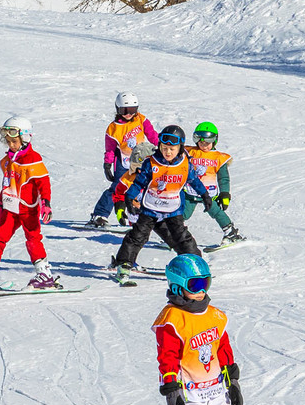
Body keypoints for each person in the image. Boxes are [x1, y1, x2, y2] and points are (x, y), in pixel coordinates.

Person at [154, 251, 260, 405]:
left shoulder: (214, 315)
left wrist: (232, 380)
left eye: (205, 283)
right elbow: (167, 357)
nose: (201, 291)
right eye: (195, 285)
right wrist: (171, 388)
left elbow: (223, 349)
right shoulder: (172, 320)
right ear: (178, 286)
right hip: (190, 390)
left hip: (216, 387)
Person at [0, 117, 61, 292]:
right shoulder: (8, 160)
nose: (11, 145)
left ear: (25, 138)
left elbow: (43, 183)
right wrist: (0, 204)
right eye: (8, 142)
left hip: (28, 208)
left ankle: (45, 274)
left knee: (32, 239)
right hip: (10, 207)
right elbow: (7, 183)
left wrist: (46, 203)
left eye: (14, 141)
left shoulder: (32, 159)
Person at [113, 125, 205, 280]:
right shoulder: (152, 163)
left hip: (173, 208)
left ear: (180, 148)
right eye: (164, 148)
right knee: (138, 235)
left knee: (180, 236)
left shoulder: (185, 164)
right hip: (151, 207)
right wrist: (129, 197)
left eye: (172, 149)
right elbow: (139, 183)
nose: (167, 152)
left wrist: (205, 196)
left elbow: (194, 181)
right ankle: (124, 264)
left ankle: (195, 263)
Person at [88, 94, 158, 223]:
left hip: (141, 160)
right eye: (124, 111)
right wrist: (107, 165)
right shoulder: (113, 129)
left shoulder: (141, 119)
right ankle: (100, 215)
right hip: (123, 162)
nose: (128, 114)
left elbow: (152, 135)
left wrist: (161, 148)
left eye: (132, 110)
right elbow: (110, 149)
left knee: (143, 187)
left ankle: (139, 216)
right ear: (117, 109)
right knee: (117, 188)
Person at [186, 121, 244, 244]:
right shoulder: (190, 152)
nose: (204, 145)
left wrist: (224, 194)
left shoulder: (218, 157)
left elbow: (223, 178)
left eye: (207, 142)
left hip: (208, 193)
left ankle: (231, 233)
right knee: (182, 214)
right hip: (190, 192)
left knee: (216, 212)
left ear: (214, 141)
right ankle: (174, 236)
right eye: (201, 142)